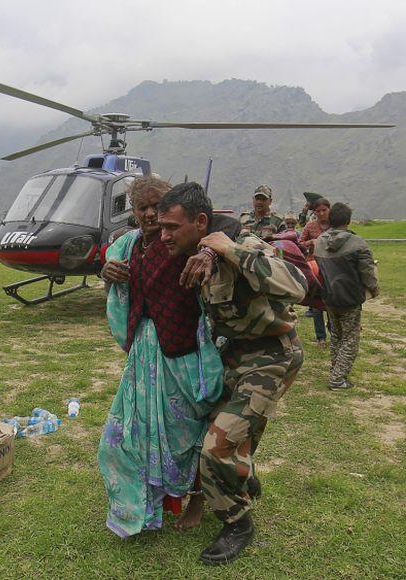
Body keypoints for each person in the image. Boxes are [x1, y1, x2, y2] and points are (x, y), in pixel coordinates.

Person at [158, 182, 307, 566]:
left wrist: (230, 250)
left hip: (272, 357)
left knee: (218, 445)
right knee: (217, 430)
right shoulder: (192, 252)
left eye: (172, 227)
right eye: (162, 226)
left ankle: (237, 521)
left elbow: (297, 283)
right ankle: (241, 476)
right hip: (233, 358)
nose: (165, 235)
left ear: (200, 222)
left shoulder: (243, 246)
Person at [98, 176, 224, 538]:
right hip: (144, 353)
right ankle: (146, 503)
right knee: (128, 435)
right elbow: (111, 271)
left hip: (183, 352)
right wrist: (106, 274)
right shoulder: (127, 246)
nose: (151, 214)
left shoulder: (188, 241)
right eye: (143, 208)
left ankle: (197, 498)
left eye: (158, 205)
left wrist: (208, 253)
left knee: (189, 431)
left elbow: (225, 230)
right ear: (134, 213)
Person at [314, 203, 379, 390]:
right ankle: (336, 379)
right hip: (350, 299)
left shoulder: (320, 241)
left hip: (328, 297)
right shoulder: (357, 243)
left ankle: (336, 370)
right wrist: (374, 289)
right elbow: (367, 272)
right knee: (350, 338)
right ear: (348, 221)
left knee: (336, 336)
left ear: (330, 219)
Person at [300, 198, 331, 348]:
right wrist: (310, 242)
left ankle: (334, 332)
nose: (321, 213)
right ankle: (321, 338)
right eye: (318, 211)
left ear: (329, 210)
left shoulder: (335, 225)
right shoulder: (311, 226)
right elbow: (299, 243)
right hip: (314, 267)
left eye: (324, 210)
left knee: (332, 300)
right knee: (317, 303)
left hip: (332, 267)